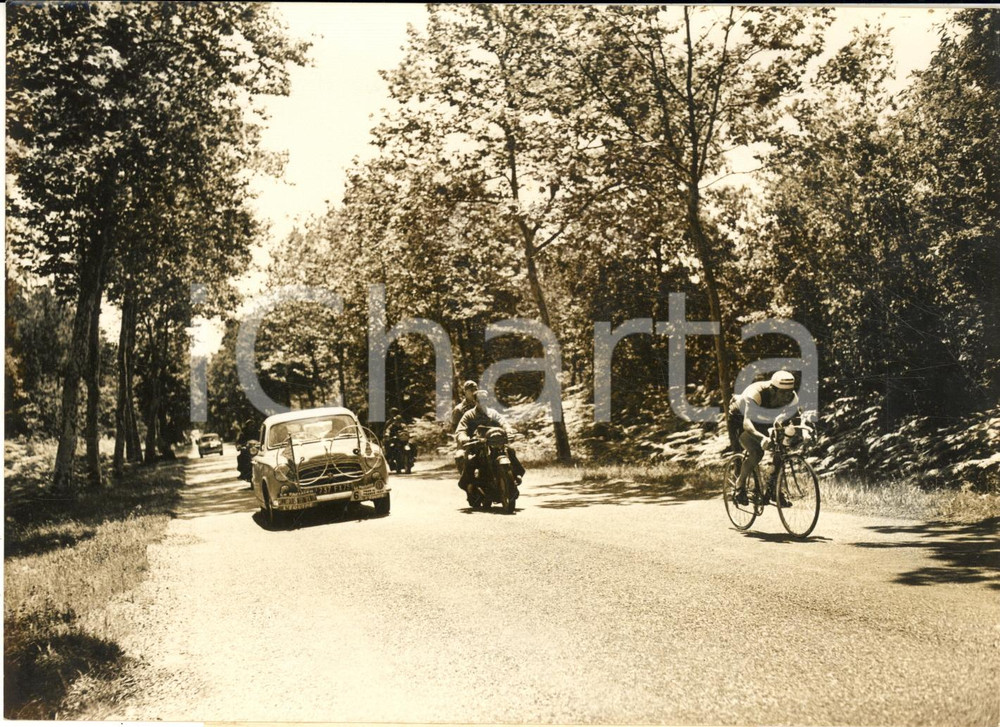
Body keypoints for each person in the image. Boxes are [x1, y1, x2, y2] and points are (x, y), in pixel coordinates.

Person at [727, 370, 799, 506]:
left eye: (789, 392)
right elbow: (747, 424)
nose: (787, 397)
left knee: (781, 449)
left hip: (763, 419)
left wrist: (805, 432)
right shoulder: (756, 394)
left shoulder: (792, 398)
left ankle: (773, 489)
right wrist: (762, 439)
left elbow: (796, 420)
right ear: (772, 390)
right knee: (756, 452)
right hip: (740, 419)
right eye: (783, 393)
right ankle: (739, 485)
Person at [455, 392, 526, 491]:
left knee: (510, 450)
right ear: (475, 401)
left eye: (485, 400)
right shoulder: (469, 415)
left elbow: (503, 422)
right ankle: (470, 484)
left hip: (495, 443)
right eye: (480, 401)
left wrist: (508, 429)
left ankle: (516, 474)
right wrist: (463, 437)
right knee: (471, 460)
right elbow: (461, 430)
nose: (483, 403)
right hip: (478, 445)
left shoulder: (493, 413)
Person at [451, 380, 480, 474]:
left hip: (482, 437)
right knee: (461, 456)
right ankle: (466, 478)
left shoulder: (481, 405)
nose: (474, 392)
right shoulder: (459, 409)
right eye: (471, 390)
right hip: (467, 439)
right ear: (465, 392)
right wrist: (463, 437)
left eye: (475, 389)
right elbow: (456, 428)